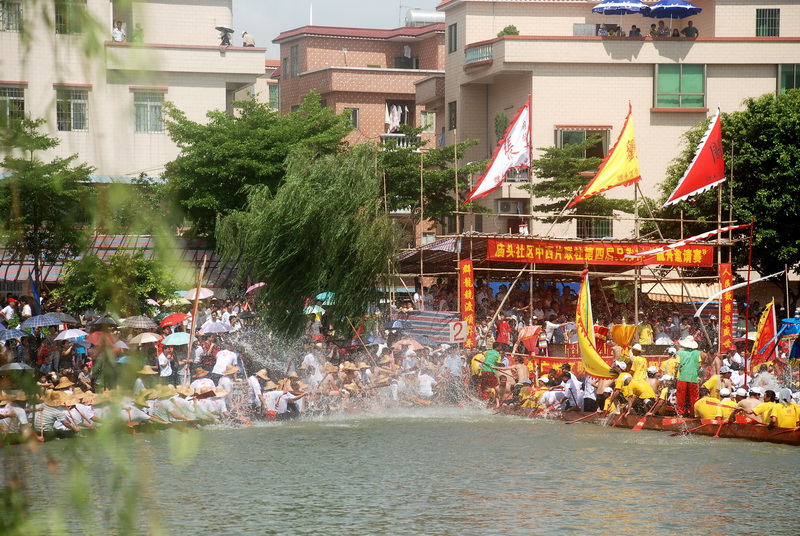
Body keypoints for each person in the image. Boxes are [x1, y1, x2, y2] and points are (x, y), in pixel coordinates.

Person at [675, 336, 701, 416]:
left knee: (681, 397)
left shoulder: (680, 353)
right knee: (694, 397)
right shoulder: (697, 353)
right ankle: (693, 413)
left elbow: (676, 366)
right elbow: (699, 365)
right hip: (693, 378)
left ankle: (681, 413)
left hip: (682, 378)